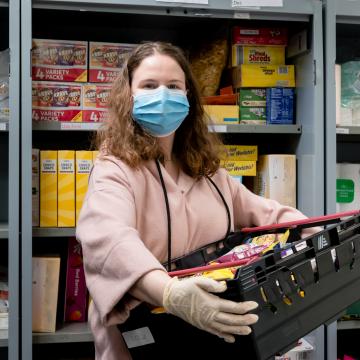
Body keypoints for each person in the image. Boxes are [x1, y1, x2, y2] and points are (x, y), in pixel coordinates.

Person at [76, 41, 318, 360]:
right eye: (149, 85)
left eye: (173, 86)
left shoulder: (206, 170)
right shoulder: (115, 168)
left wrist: (319, 237)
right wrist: (170, 293)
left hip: (212, 339)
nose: (162, 95)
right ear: (129, 95)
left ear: (188, 95)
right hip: (143, 344)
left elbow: (267, 213)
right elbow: (110, 240)